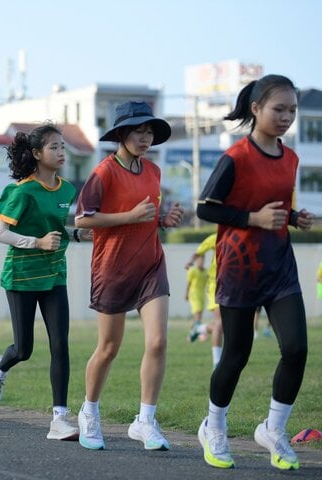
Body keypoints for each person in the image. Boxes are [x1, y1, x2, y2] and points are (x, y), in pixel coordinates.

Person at [196, 74, 312, 471]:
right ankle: (214, 427)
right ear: (256, 109)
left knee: (296, 349)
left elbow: (273, 205)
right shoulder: (236, 157)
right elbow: (205, 208)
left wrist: (294, 216)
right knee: (236, 354)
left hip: (280, 267)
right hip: (239, 269)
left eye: (292, 110)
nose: (286, 117)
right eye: (279, 109)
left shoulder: (292, 158)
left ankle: (273, 429)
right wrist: (253, 218)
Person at [74, 101, 184, 451]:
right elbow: (82, 220)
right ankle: (89, 412)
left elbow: (146, 215)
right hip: (112, 268)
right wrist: (131, 216)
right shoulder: (104, 172)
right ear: (121, 133)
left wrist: (162, 220)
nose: (145, 137)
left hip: (151, 264)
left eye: (149, 131)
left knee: (157, 342)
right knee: (108, 348)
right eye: (138, 131)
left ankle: (145, 421)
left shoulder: (153, 170)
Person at [0, 124, 85, 441]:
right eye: (54, 147)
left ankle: (59, 419)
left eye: (63, 146)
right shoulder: (21, 191)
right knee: (24, 349)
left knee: (60, 346)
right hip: (21, 276)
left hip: (55, 275)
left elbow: (55, 230)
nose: (61, 152)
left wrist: (77, 234)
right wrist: (35, 243)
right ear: (37, 154)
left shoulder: (68, 190)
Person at [185, 233, 223, 366]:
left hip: (234, 286)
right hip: (215, 286)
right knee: (219, 324)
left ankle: (199, 328)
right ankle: (217, 364)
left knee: (229, 327)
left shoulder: (243, 236)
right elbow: (199, 251)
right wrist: (191, 261)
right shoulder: (216, 237)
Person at [185, 255, 208, 343]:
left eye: (202, 260)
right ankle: (201, 335)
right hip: (194, 295)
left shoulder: (206, 272)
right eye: (199, 260)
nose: (201, 262)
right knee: (197, 316)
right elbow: (188, 283)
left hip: (202, 295)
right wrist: (186, 294)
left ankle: (190, 336)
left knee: (198, 317)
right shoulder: (193, 271)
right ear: (197, 261)